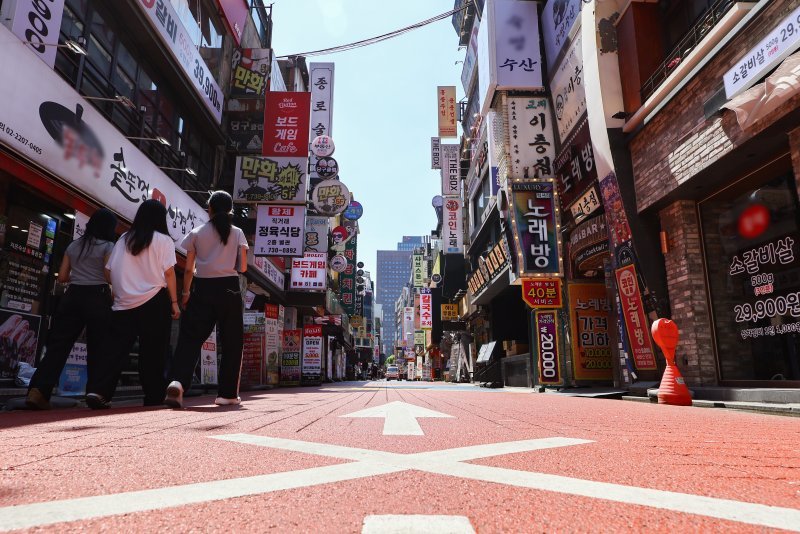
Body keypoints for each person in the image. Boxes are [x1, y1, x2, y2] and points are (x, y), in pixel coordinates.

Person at [90, 199, 180, 408]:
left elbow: (109, 271)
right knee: (153, 352)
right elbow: (169, 273)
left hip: (124, 303)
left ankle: (99, 391)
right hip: (154, 300)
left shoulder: (123, 238)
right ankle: (153, 395)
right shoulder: (164, 241)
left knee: (114, 350)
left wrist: (123, 288)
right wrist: (174, 302)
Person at [25, 209, 117, 410]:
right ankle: (95, 393)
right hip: (97, 296)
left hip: (72, 296)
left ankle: (38, 391)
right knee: (98, 347)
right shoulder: (108, 246)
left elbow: (63, 277)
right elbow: (109, 277)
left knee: (58, 346)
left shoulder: (74, 245)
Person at [164, 191, 248, 409]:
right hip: (229, 288)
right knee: (232, 341)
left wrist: (186, 293)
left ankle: (178, 382)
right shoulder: (238, 233)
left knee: (190, 337)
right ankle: (227, 394)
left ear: (209, 208)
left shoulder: (197, 232)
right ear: (230, 209)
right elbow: (243, 267)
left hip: (202, 286)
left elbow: (189, 269)